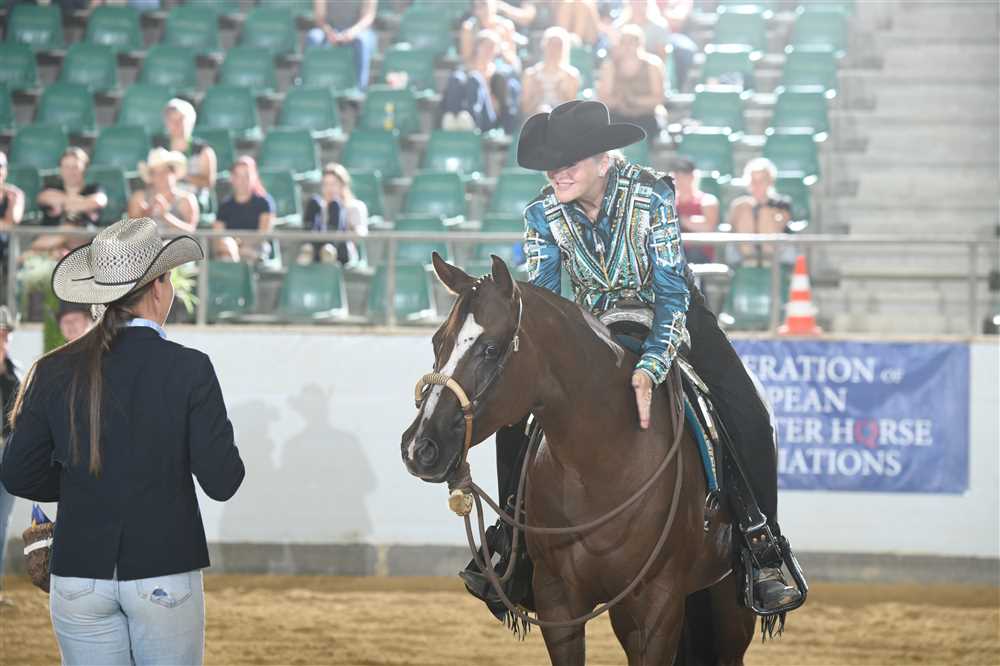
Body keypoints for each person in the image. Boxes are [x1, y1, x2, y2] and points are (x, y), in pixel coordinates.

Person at [463, 100, 802, 615]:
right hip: (595, 326)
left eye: (569, 162)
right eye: (552, 164)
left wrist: (651, 365)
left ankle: (762, 544)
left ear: (603, 161)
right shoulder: (541, 213)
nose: (557, 173)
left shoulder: (652, 194)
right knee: (516, 407)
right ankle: (511, 537)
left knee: (748, 412)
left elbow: (671, 290)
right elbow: (546, 300)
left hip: (675, 315)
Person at [0, 216, 245, 665]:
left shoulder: (51, 369)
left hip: (78, 567)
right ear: (158, 288)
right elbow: (223, 480)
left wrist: (83, 483)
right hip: (163, 565)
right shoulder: (190, 368)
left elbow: (17, 473)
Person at [30, 148, 108, 258]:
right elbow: (43, 198)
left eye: (75, 167)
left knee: (70, 229)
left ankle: (37, 251)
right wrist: (81, 202)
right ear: (60, 169)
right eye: (66, 167)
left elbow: (99, 201)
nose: (70, 172)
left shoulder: (94, 189)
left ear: (84, 168)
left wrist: (62, 202)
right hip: (50, 244)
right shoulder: (51, 187)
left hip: (83, 248)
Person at [438, 30, 521, 134]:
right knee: (456, 78)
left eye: (492, 47)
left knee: (474, 79)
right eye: (485, 46)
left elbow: (503, 107)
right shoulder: (465, 69)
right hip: (463, 113)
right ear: (477, 47)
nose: (488, 50)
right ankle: (451, 118)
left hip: (486, 118)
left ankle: (472, 124)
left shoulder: (500, 74)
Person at [596, 24, 666, 141]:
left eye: (632, 42)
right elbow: (603, 98)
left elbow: (658, 98)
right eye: (624, 42)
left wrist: (635, 100)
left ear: (640, 44)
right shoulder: (610, 66)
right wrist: (619, 101)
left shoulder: (653, 65)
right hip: (618, 115)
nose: (628, 46)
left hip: (647, 116)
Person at [615, 0, 697, 91]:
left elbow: (662, 57)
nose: (638, 5)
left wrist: (643, 65)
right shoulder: (619, 26)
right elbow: (616, 54)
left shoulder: (659, 27)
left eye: (642, 2)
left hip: (650, 74)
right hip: (623, 73)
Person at [727, 158, 794, 267]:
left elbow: (782, 224)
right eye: (753, 181)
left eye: (761, 181)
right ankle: (750, 261)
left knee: (765, 213)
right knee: (745, 210)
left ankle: (766, 261)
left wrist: (764, 210)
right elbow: (732, 227)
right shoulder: (740, 204)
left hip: (775, 252)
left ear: (770, 181)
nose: (757, 185)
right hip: (743, 253)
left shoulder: (782, 203)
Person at [300, 163, 369, 266]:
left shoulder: (355, 206)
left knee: (335, 205)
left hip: (342, 253)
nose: (329, 188)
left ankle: (329, 249)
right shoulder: (320, 206)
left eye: (333, 184)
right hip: (318, 250)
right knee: (314, 201)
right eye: (326, 184)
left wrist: (349, 232)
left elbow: (361, 233)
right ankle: (309, 250)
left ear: (343, 185)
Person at [158, 98, 217, 217]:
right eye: (172, 120)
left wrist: (182, 175)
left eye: (181, 119)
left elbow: (208, 182)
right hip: (164, 196)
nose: (177, 124)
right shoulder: (160, 149)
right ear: (166, 123)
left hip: (191, 200)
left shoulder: (204, 151)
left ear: (191, 122)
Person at [213, 156, 274, 263]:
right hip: (229, 249)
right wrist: (232, 247)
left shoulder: (264, 202)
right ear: (232, 178)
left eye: (246, 175)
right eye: (238, 176)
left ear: (254, 177)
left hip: (256, 249)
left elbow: (263, 235)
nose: (242, 180)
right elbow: (218, 235)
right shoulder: (225, 205)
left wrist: (238, 247)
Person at [307, 0, 378, 90]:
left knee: (361, 41)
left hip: (359, 30)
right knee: (314, 37)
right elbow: (319, 17)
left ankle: (360, 89)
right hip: (329, 30)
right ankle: (313, 86)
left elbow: (368, 17)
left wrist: (352, 32)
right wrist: (329, 33)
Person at [0, 306, 21, 607]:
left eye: (5, 336)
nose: (2, 342)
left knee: (1, 524)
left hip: (7, 456)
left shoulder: (16, 377)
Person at [128, 148, 199, 234]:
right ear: (151, 176)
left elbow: (191, 231)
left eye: (165, 171)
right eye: (156, 173)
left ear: (174, 173)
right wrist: (144, 215)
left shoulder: (186, 199)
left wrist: (165, 216)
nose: (161, 176)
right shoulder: (139, 198)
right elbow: (130, 233)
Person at [520, 26, 581, 116]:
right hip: (537, 119)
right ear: (544, 46)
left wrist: (561, 94)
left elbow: (573, 111)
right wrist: (536, 96)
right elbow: (525, 110)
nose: (554, 49)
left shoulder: (572, 75)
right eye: (551, 44)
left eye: (558, 45)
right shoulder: (530, 75)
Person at [672, 158, 720, 263]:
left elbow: (709, 227)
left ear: (693, 176)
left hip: (700, 255)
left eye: (685, 175)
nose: (680, 179)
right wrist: (691, 222)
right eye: (677, 175)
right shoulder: (669, 202)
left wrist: (680, 220)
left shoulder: (707, 200)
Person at [460, 0, 522, 73]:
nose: (481, 9)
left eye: (484, 4)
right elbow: (466, 60)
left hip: (501, 71)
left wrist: (499, 47)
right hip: (477, 70)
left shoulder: (506, 26)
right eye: (476, 6)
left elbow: (512, 59)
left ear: (494, 4)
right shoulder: (469, 28)